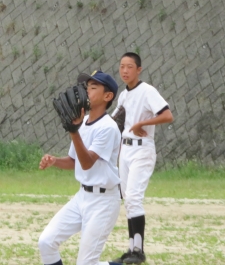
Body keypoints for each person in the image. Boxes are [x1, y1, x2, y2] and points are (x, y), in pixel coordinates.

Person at [38, 70, 122, 265]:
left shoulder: (108, 127)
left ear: (107, 96)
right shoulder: (82, 122)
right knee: (46, 242)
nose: (87, 91)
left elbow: (87, 162)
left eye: (93, 87)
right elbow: (74, 161)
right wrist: (55, 161)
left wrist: (73, 131)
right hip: (82, 197)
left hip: (103, 203)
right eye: (87, 87)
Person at [113, 52, 173, 264]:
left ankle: (138, 251)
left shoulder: (147, 91)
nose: (125, 70)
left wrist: (142, 124)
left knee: (133, 197)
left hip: (142, 149)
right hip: (125, 149)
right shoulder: (123, 95)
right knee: (127, 198)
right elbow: (116, 123)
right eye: (122, 66)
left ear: (139, 70)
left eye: (130, 67)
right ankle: (131, 249)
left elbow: (167, 115)